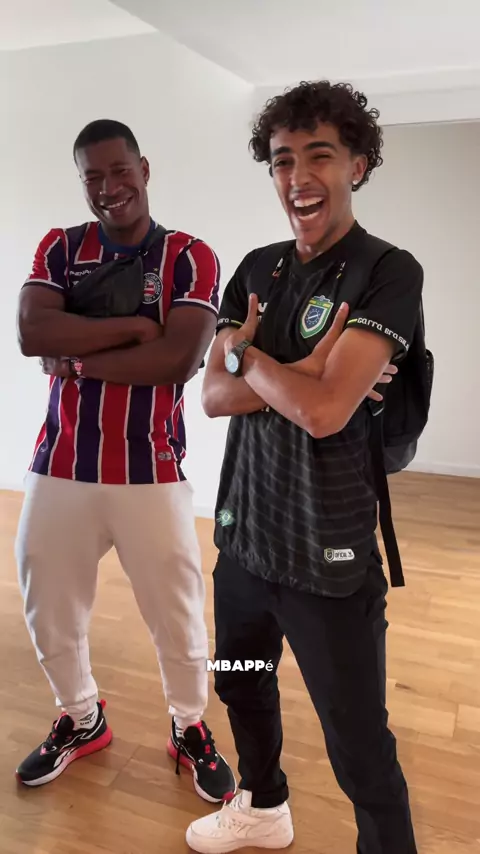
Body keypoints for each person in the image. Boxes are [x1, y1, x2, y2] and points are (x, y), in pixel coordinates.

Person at [186, 81, 421, 853]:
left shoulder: (387, 271)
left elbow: (325, 412)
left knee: (358, 746)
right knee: (239, 679)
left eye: (319, 155)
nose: (298, 177)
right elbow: (213, 397)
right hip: (244, 545)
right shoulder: (257, 268)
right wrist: (293, 370)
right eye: (283, 160)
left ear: (358, 164)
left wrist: (251, 358)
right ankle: (263, 807)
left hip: (330, 559)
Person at [14, 119, 235, 804]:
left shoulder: (189, 256)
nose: (109, 188)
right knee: (48, 605)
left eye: (119, 171)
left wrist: (79, 358)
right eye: (93, 176)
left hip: (150, 466)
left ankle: (189, 727)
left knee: (177, 613)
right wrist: (136, 328)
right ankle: (81, 718)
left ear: (144, 168)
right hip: (61, 462)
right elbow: (32, 331)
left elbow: (177, 358)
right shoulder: (60, 247)